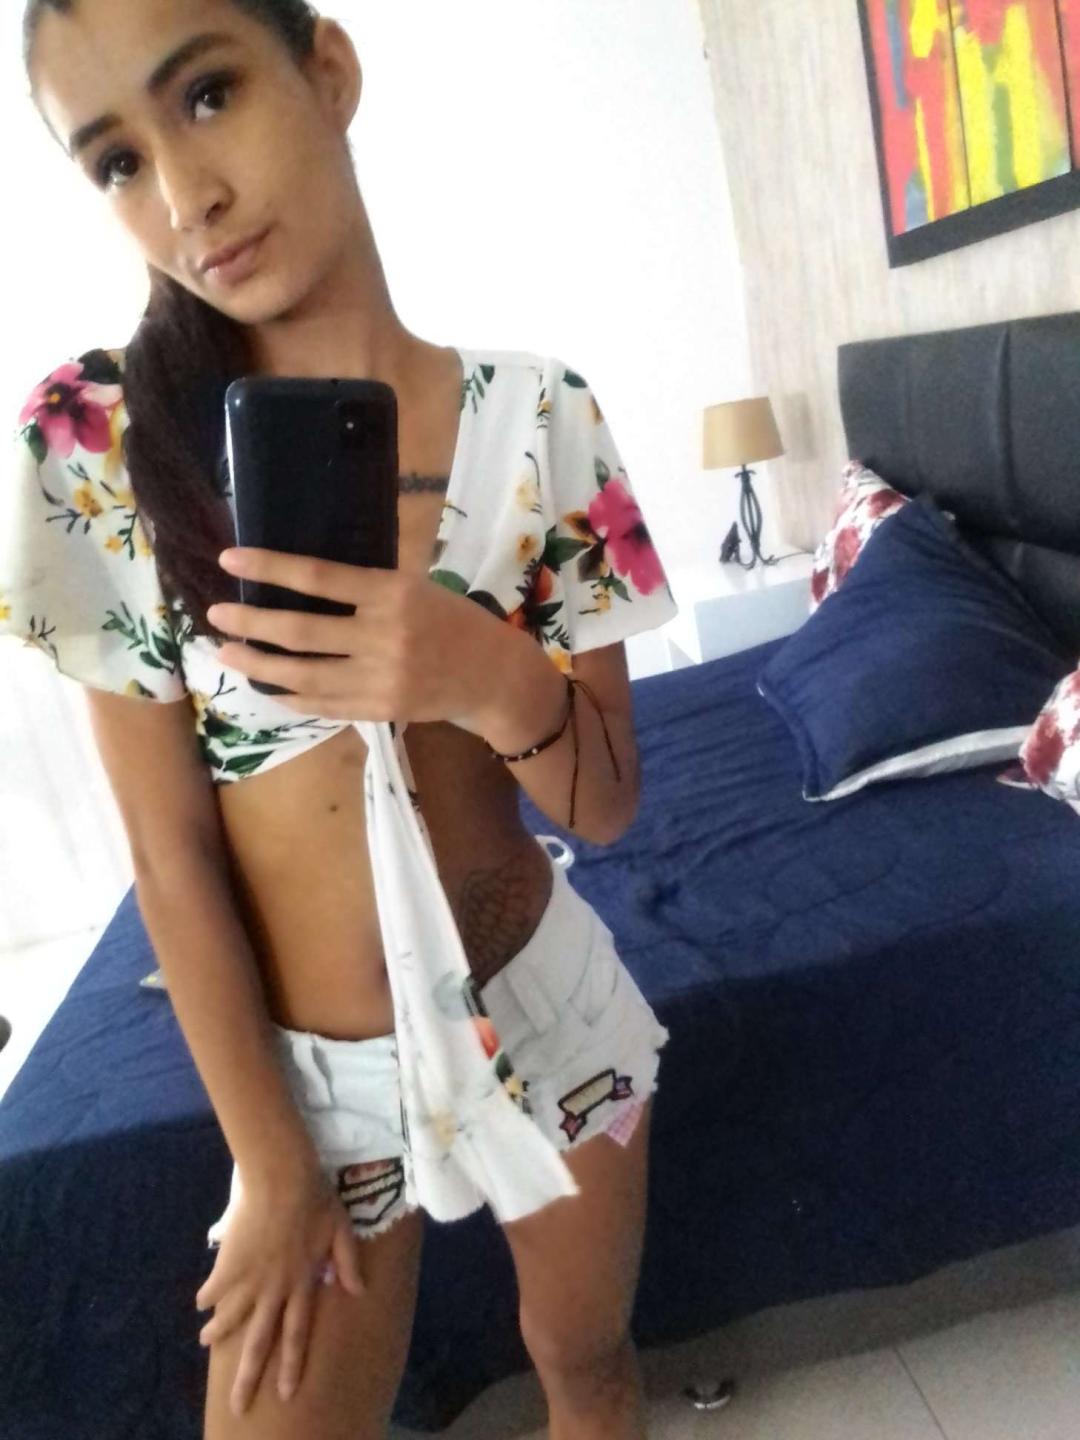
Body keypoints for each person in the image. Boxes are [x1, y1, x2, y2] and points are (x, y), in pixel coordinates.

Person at [9, 1, 679, 1436]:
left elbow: (610, 802)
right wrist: (269, 1161)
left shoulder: (540, 416)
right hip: (315, 1096)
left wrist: (479, 675)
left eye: (206, 95)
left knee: (589, 1366)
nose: (185, 197)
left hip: (551, 1014)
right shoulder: (98, 446)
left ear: (327, 70)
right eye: (117, 160)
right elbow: (169, 855)